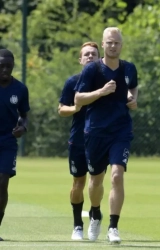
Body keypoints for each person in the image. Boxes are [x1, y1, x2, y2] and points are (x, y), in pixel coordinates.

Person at [74, 27, 138, 244]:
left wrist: (132, 99)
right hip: (95, 131)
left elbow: (133, 88)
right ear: (103, 45)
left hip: (121, 131)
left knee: (117, 175)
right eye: (109, 42)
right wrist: (101, 92)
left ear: (122, 45)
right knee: (95, 180)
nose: (113, 46)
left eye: (117, 43)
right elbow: (78, 99)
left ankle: (113, 226)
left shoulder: (129, 68)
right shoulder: (92, 70)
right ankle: (95, 213)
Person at [58, 42, 100, 240]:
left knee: (96, 180)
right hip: (78, 140)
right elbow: (61, 109)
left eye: (94, 54)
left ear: (100, 58)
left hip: (100, 139)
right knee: (78, 182)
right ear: (80, 59)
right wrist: (75, 108)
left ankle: (95, 212)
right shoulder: (72, 82)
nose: (90, 57)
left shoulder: (106, 83)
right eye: (86, 54)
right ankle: (77, 225)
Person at [0, 49, 30, 241]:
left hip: (8, 142)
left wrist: (23, 128)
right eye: (1, 66)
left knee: (2, 183)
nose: (4, 69)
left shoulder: (20, 89)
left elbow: (24, 115)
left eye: (8, 66)